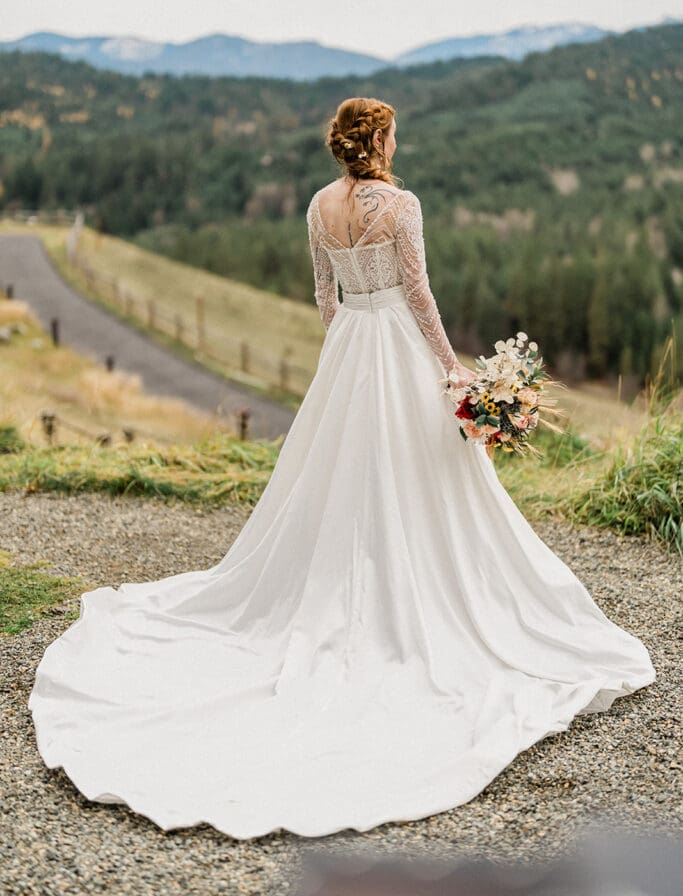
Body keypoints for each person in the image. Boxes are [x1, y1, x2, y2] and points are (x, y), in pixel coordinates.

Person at [28, 96, 656, 841]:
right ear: (379, 140)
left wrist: (345, 357)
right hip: (394, 338)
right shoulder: (400, 204)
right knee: (416, 473)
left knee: (340, 475)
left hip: (352, 345)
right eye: (392, 131)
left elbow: (325, 298)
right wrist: (449, 366)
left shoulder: (317, 207)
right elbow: (418, 291)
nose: (397, 138)